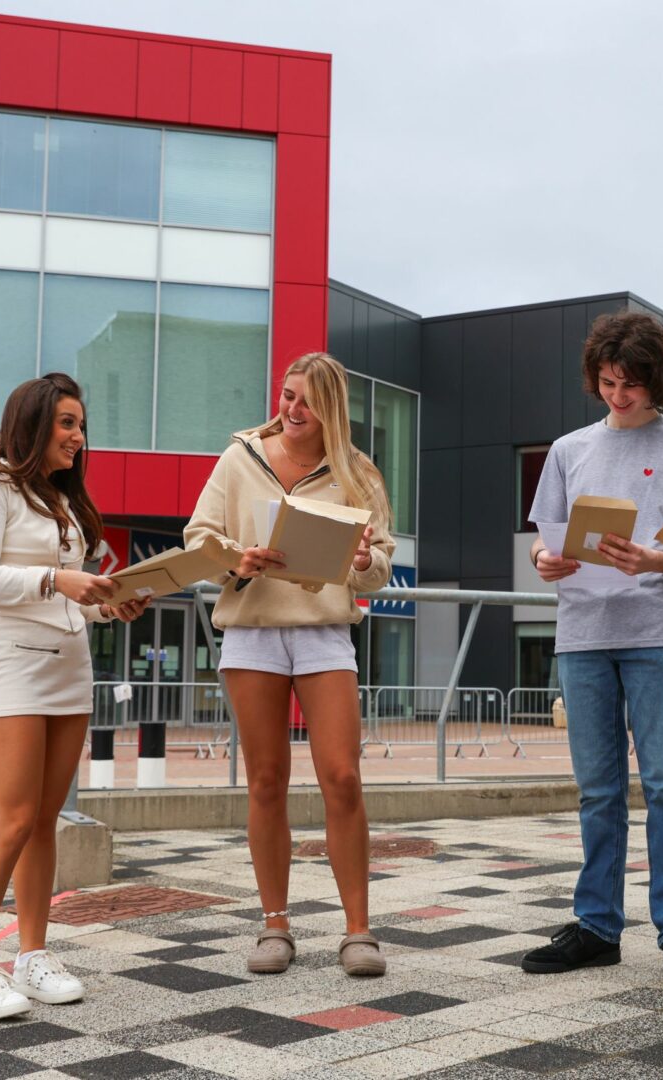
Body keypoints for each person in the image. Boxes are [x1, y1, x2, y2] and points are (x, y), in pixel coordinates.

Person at [183, 352, 394, 978]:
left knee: (343, 777)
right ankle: (275, 925)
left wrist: (361, 565)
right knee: (266, 781)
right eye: (286, 395)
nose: (290, 409)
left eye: (304, 400)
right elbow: (199, 537)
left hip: (325, 630)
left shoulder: (359, 472)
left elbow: (381, 559)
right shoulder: (239, 458)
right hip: (252, 631)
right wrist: (235, 559)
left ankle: (359, 931)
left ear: (330, 408)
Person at [522, 311, 663, 990]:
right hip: (580, 634)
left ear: (655, 381)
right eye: (607, 382)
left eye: (630, 385)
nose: (617, 395)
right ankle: (598, 927)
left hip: (655, 634)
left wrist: (653, 559)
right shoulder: (569, 448)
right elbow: (544, 540)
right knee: (597, 791)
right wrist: (547, 559)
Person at [0, 373, 150, 1022]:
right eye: (67, 423)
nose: (78, 436)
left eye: (82, 425)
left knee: (44, 822)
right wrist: (59, 576)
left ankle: (31, 954)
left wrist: (109, 602)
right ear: (33, 423)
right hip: (9, 669)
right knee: (10, 820)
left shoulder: (65, 503)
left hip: (69, 672)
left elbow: (70, 601)